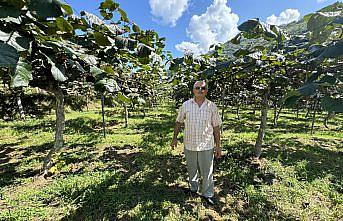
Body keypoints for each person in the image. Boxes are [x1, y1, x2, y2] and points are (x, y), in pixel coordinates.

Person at [170, 80, 222, 205]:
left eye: (203, 88)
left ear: (206, 91)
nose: (200, 90)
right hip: (190, 144)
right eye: (197, 88)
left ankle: (207, 194)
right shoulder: (186, 105)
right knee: (192, 169)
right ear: (193, 90)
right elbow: (179, 122)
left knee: (207, 171)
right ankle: (193, 189)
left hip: (206, 145)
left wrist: (218, 146)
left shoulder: (212, 106)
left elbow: (216, 127)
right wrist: (174, 138)